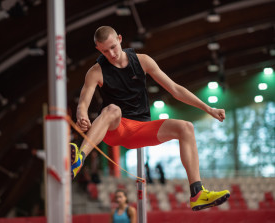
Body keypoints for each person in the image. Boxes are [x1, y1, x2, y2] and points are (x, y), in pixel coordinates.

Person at [71, 26, 230, 211]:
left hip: (141, 128)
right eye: (105, 50)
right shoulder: (96, 71)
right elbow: (83, 102)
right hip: (115, 128)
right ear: (98, 49)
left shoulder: (142, 61)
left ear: (120, 39)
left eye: (113, 47)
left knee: (186, 127)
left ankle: (197, 193)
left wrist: (208, 108)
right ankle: (79, 160)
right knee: (113, 109)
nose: (112, 54)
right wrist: (82, 115)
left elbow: (175, 89)